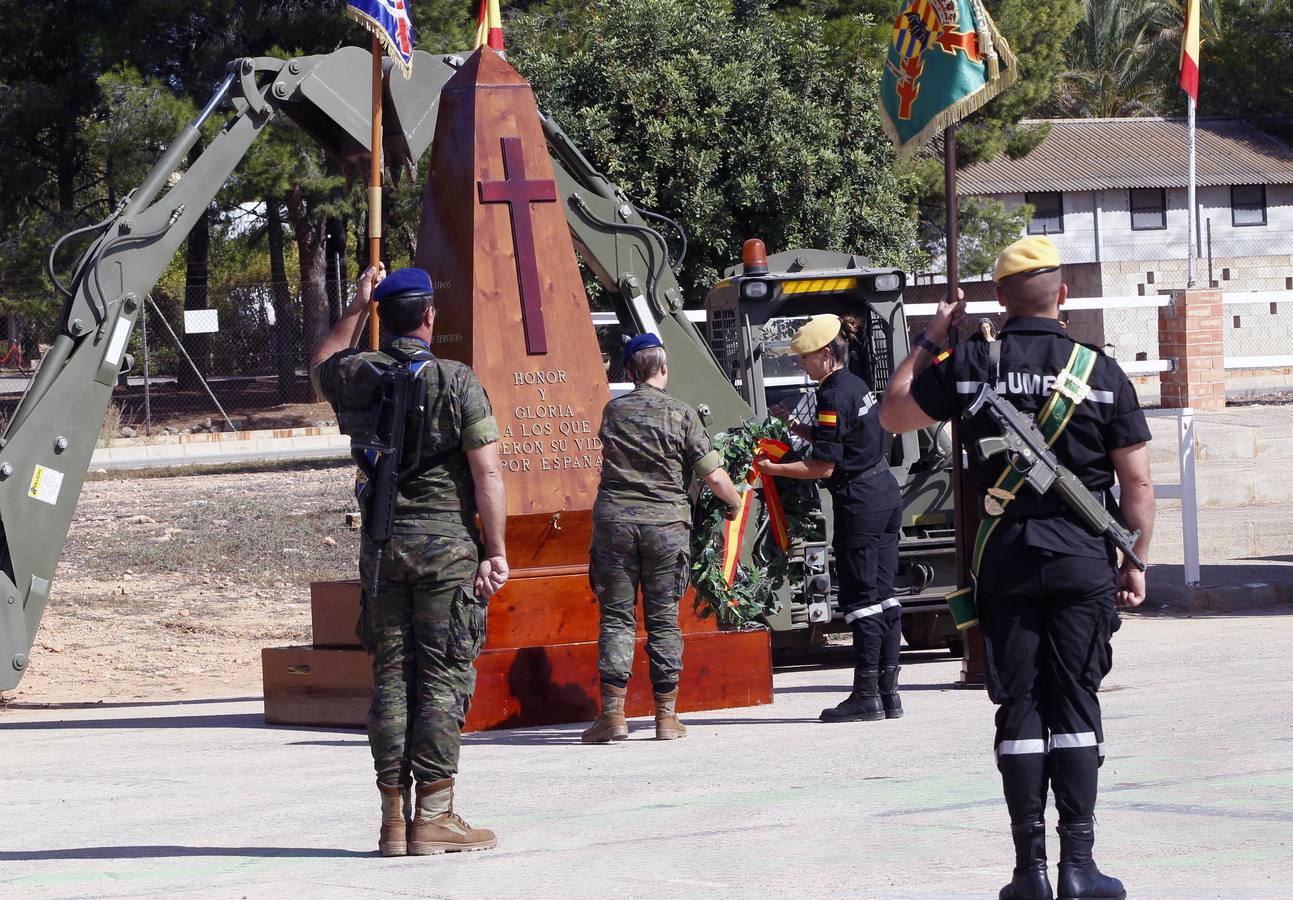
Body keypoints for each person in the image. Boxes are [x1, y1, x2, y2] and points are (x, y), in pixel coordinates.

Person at [879, 236, 1155, 900]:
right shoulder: (1099, 372)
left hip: (1002, 562)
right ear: (1061, 296)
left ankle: (1028, 872)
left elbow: (892, 411)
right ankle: (1080, 867)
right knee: (1075, 703)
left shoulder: (969, 362)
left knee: (1020, 707)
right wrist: (1133, 560)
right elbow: (1138, 484)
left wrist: (929, 337)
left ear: (997, 301)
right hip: (1082, 561)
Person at [311, 265, 508, 857]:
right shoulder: (457, 380)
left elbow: (320, 367)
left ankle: (393, 820)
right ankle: (435, 818)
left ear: (385, 315)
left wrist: (355, 305)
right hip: (446, 550)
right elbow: (488, 472)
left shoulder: (357, 373)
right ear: (429, 317)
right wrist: (495, 550)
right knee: (443, 681)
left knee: (391, 682)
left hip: (382, 550)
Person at [581, 333, 744, 743]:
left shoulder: (613, 412)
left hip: (615, 526)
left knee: (617, 619)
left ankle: (613, 716)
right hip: (668, 529)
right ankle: (666, 717)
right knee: (663, 621)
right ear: (664, 368)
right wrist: (735, 503)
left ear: (631, 371)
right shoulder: (682, 414)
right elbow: (713, 474)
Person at [757, 314, 905, 723]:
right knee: (884, 594)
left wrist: (773, 470)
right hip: (884, 494)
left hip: (859, 500)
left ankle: (865, 695)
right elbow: (841, 440)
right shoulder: (855, 384)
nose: (800, 364)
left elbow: (823, 467)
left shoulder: (831, 395)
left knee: (861, 601)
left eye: (805, 358)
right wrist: (795, 427)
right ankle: (889, 695)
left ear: (825, 354)